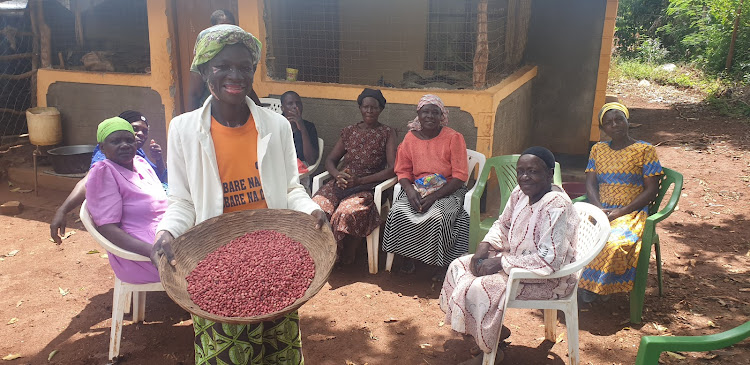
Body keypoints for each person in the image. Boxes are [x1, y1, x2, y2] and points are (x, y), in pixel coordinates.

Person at [150, 24, 326, 365]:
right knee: (228, 355)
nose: (235, 75)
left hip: (275, 257)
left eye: (245, 67)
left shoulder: (275, 127)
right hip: (213, 259)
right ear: (204, 70)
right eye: (222, 66)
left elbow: (291, 187)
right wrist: (167, 230)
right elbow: (183, 200)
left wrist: (310, 209)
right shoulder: (184, 130)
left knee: (280, 354)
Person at [439, 147, 579, 365]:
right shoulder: (520, 192)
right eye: (520, 171)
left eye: (532, 171)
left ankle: (489, 355)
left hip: (548, 278)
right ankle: (492, 334)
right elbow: (503, 224)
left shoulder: (556, 205)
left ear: (549, 174)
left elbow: (548, 259)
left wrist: (501, 262)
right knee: (459, 266)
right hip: (517, 261)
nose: (524, 177)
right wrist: (485, 245)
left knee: (482, 287)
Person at [578, 102, 663, 303]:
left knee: (614, 243)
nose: (614, 125)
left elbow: (652, 190)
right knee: (574, 236)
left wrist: (622, 211)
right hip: (601, 209)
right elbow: (590, 183)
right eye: (608, 123)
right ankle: (577, 284)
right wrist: (598, 207)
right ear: (602, 129)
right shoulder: (598, 149)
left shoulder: (645, 150)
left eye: (619, 119)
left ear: (627, 121)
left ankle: (597, 288)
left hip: (631, 212)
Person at [381, 94, 469, 282]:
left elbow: (460, 176)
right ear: (418, 115)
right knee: (398, 211)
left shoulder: (454, 138)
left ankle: (440, 264)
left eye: (434, 112)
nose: (430, 116)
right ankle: (407, 258)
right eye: (425, 112)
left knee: (439, 216)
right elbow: (402, 171)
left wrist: (434, 197)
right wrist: (411, 192)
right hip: (418, 188)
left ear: (441, 116)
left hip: (448, 189)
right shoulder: (410, 139)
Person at [49, 110, 166, 243]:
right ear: (103, 146)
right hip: (142, 238)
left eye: (144, 131)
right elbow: (88, 181)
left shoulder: (138, 158)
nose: (140, 134)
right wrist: (63, 210)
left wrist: (159, 159)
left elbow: (160, 178)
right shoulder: (106, 162)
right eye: (135, 129)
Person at [312, 88, 397, 265]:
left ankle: (345, 251)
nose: (369, 111)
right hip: (342, 181)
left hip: (368, 184)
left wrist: (360, 181)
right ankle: (319, 252)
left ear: (380, 109)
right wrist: (337, 175)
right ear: (360, 108)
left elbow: (392, 168)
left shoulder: (387, 132)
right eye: (365, 107)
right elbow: (330, 159)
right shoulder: (349, 131)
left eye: (374, 107)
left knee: (345, 212)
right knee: (318, 206)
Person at [85, 117, 167, 284]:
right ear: (102, 147)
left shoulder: (140, 163)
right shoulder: (104, 172)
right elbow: (108, 229)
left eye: (129, 140)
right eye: (116, 141)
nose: (124, 145)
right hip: (139, 254)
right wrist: (152, 251)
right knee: (202, 267)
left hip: (164, 234)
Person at [187, 9, 261, 111]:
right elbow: (195, 93)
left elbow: (246, 88)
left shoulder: (241, 53)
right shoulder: (205, 57)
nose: (227, 34)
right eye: (222, 67)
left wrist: (261, 111)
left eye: (230, 27)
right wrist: (192, 122)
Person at [281, 90, 319, 166]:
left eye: (298, 103)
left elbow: (311, 160)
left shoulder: (309, 127)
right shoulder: (276, 124)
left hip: (301, 169)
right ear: (283, 108)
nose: (295, 106)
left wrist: (302, 128)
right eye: (290, 103)